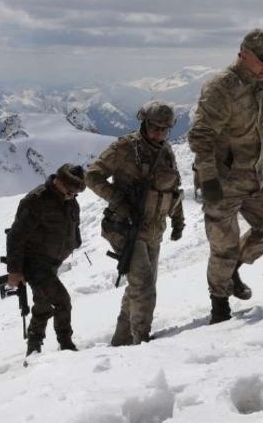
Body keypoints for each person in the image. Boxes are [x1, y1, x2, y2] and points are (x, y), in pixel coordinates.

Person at [189, 29, 263, 324]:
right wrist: (208, 178)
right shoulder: (221, 87)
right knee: (223, 246)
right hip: (222, 181)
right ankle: (219, 306)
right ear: (243, 54)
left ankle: (232, 270)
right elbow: (201, 135)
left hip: (254, 177)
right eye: (262, 61)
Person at [86, 101, 185, 346]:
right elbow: (93, 175)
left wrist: (178, 220)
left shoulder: (166, 152)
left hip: (154, 229)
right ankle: (141, 341)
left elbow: (173, 190)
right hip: (125, 227)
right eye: (155, 128)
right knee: (144, 286)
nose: (159, 134)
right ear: (144, 124)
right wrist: (119, 200)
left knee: (139, 286)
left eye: (164, 129)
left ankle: (122, 340)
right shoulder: (125, 148)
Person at [5, 164, 85, 355]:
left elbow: (72, 226)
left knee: (43, 303)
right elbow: (16, 236)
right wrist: (14, 271)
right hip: (35, 263)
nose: (73, 194)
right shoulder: (36, 200)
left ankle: (34, 346)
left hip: (53, 262)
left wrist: (75, 242)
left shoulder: (71, 200)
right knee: (62, 301)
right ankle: (66, 344)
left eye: (76, 191)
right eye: (70, 189)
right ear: (59, 181)